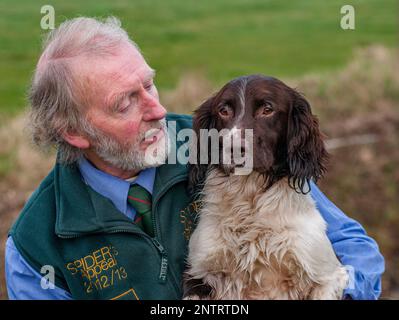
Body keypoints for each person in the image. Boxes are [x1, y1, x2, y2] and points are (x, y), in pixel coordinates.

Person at [5, 17, 384, 300]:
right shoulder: (36, 244)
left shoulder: (213, 142)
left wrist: (346, 292)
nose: (157, 109)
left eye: (149, 84)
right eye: (125, 102)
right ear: (74, 131)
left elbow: (352, 244)